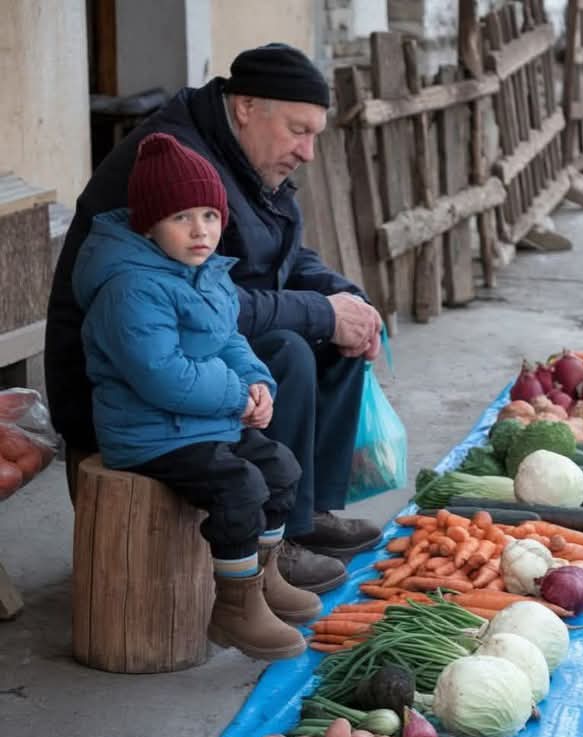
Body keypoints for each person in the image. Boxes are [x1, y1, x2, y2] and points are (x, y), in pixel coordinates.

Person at [45, 43, 385, 594]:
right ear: (247, 107)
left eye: (314, 134)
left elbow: (283, 257)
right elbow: (216, 303)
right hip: (117, 379)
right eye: (299, 131)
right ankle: (281, 540)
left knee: (341, 332)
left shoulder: (244, 157)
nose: (309, 152)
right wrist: (320, 313)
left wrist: (346, 300)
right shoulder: (179, 165)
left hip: (190, 336)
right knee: (291, 346)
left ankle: (308, 509)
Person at [72, 132, 321, 661]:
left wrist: (258, 384)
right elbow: (163, 376)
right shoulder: (130, 287)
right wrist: (236, 396)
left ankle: (262, 577)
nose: (200, 230)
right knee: (240, 486)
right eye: (182, 217)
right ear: (149, 223)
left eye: (209, 215)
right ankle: (233, 607)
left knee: (280, 468)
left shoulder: (204, 274)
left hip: (203, 423)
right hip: (150, 433)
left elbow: (230, 338)